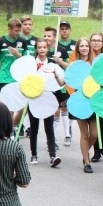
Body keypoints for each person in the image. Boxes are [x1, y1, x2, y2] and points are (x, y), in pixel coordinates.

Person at [28, 39, 63, 168]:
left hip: (48, 99)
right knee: (34, 127)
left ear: (47, 49)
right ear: (36, 49)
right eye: (39, 47)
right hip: (33, 99)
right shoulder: (31, 64)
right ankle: (34, 154)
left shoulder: (52, 64)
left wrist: (54, 73)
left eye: (44, 47)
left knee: (49, 127)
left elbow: (60, 84)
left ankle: (53, 155)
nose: (42, 49)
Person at [70, 38, 99, 172]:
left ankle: (85, 152)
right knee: (85, 134)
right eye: (81, 46)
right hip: (80, 101)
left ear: (89, 48)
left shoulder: (95, 64)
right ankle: (87, 163)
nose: (84, 48)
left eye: (86, 46)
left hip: (93, 101)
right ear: (78, 48)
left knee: (94, 134)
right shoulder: (74, 64)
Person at [88, 32, 103, 162]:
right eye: (93, 40)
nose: (96, 42)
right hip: (91, 92)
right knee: (96, 123)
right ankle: (96, 151)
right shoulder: (87, 58)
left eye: (99, 40)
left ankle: (101, 144)